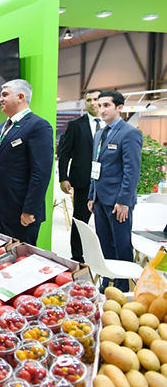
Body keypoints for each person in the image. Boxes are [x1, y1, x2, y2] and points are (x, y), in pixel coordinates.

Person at [0, 79, 54, 245]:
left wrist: (30, 209)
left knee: (20, 256)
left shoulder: (38, 126)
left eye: (5, 95)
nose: (0, 99)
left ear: (21, 97)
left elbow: (41, 173)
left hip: (20, 211)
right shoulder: (0, 127)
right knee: (0, 255)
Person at [88, 90, 142, 293]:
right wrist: (91, 194)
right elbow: (95, 167)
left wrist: (124, 201)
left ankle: (123, 285)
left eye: (106, 105)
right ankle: (108, 279)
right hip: (100, 199)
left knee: (121, 244)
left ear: (119, 107)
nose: (101, 109)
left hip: (118, 201)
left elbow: (132, 171)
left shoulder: (129, 133)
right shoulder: (100, 134)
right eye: (99, 105)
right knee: (104, 243)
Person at [58, 90, 104, 263]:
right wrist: (64, 177)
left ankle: (104, 257)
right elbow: (64, 153)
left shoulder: (110, 125)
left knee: (104, 223)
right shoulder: (76, 125)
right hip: (83, 180)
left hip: (106, 181)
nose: (93, 103)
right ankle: (77, 257)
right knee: (80, 221)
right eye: (89, 100)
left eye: (96, 99)